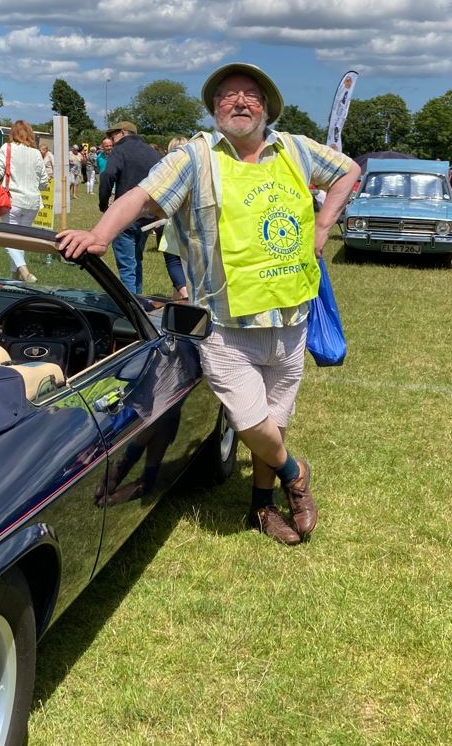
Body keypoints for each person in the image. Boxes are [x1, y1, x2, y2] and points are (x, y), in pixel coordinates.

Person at [59, 63, 361, 545]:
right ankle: (294, 471)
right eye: (227, 95)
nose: (238, 102)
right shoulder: (195, 158)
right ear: (213, 108)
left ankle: (261, 507)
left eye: (250, 95)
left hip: (289, 317)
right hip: (224, 325)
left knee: (275, 418)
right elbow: (139, 197)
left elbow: (349, 171)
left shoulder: (298, 150)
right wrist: (99, 234)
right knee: (249, 420)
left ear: (267, 107)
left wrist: (323, 227)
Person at [96, 120, 155, 295]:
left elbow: (107, 175)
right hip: (147, 216)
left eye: (112, 135)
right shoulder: (153, 153)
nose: (111, 139)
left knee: (127, 265)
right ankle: (138, 298)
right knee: (136, 260)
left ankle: (130, 307)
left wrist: (104, 204)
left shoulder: (120, 150)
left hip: (125, 216)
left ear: (122, 132)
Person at [0, 120, 50, 283]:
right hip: (32, 203)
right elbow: (44, 182)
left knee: (9, 238)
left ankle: (24, 272)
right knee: (19, 241)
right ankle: (14, 279)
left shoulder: (7, 148)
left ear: (13, 134)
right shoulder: (36, 153)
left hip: (12, 201)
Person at [160, 135, 189, 300]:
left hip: (174, 227)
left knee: (175, 262)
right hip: (194, 228)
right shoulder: (201, 169)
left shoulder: (165, 170)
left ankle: (185, 296)